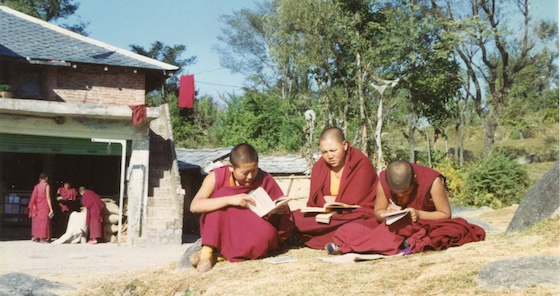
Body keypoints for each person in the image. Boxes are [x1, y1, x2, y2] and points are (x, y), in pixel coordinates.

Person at [327, 160, 486, 255]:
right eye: (396, 193)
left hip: (425, 224)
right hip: (395, 224)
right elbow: (377, 213)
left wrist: (418, 213)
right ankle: (398, 243)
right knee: (350, 228)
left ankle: (348, 247)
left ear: (415, 180)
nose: (401, 197)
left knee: (455, 230)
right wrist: (386, 214)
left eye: (406, 192)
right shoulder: (384, 180)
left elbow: (445, 214)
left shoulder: (433, 181)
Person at [189, 143, 293, 272]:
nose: (250, 177)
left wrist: (278, 210)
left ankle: (218, 256)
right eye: (245, 173)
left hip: (254, 224)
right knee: (220, 195)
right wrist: (230, 200)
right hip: (226, 225)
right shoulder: (217, 177)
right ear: (231, 167)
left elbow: (279, 208)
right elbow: (195, 205)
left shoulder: (264, 178)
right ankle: (207, 254)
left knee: (266, 237)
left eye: (254, 170)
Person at [292, 127, 379, 252]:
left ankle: (318, 236)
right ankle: (337, 237)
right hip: (326, 216)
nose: (329, 156)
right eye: (324, 152)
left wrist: (331, 200)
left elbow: (358, 202)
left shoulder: (361, 164)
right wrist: (326, 205)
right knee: (294, 217)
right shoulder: (319, 166)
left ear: (345, 145)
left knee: (365, 223)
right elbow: (314, 201)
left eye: (333, 150)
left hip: (354, 216)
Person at [28, 173, 53, 243]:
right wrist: (51, 208)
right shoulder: (46, 185)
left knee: (37, 220)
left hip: (37, 205)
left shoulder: (36, 186)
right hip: (44, 204)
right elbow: (48, 197)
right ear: (46, 178)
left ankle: (36, 237)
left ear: (39, 179)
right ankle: (43, 238)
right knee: (44, 220)